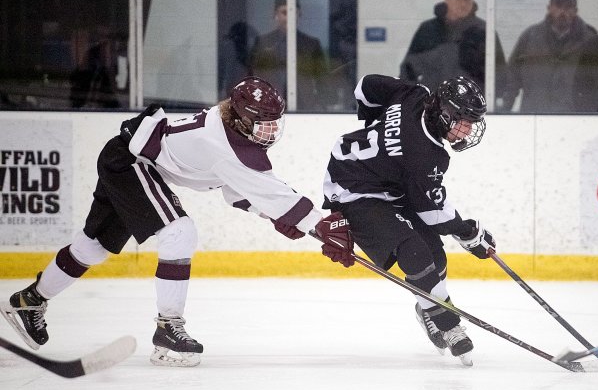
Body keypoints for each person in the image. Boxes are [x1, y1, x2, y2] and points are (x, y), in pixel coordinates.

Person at [0, 77, 353, 367]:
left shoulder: (231, 134)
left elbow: (238, 191)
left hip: (124, 158)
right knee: (179, 232)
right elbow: (268, 190)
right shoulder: (226, 145)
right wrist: (318, 224)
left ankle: (30, 300)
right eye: (265, 124)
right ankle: (168, 327)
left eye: (276, 123)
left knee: (93, 248)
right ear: (243, 120)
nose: (272, 131)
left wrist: (273, 214)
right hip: (131, 164)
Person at [322, 74, 497, 366]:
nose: (468, 130)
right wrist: (468, 234)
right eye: (464, 121)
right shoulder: (426, 155)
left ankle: (427, 308)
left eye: (472, 123)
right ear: (445, 114)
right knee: (413, 251)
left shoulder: (415, 94)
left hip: (391, 186)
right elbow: (434, 213)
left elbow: (365, 86)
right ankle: (448, 324)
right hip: (353, 186)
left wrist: (375, 124)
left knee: (435, 258)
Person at [399, 0, 506, 100]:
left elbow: (501, 77)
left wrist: (481, 99)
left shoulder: (485, 32)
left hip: (469, 108)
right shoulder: (428, 30)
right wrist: (409, 101)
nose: (463, 3)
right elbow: (408, 70)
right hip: (433, 106)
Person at [503, 0, 596, 113]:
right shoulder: (530, 37)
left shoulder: (589, 41)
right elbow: (511, 79)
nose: (562, 11)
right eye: (558, 6)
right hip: (535, 117)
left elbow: (597, 85)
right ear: (549, 8)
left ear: (575, 11)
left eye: (568, 7)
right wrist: (502, 112)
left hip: (574, 118)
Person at [249, 0, 327, 111]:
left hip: (304, 109)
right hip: (268, 107)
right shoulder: (262, 43)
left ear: (299, 14)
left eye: (293, 13)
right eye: (284, 13)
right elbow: (252, 77)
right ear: (275, 14)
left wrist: (320, 105)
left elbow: (322, 80)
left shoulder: (311, 44)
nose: (289, 18)